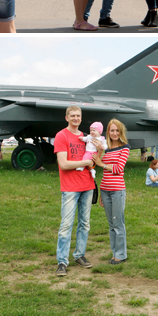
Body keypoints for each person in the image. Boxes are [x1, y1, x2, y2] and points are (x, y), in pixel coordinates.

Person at [54, 105, 95, 276]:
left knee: (84, 224)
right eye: (72, 116)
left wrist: (96, 153)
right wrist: (84, 163)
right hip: (70, 187)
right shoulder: (61, 136)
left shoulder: (86, 137)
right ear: (67, 118)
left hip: (87, 185)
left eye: (78, 116)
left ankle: (79, 255)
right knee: (66, 225)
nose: (75, 118)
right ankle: (62, 261)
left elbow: (93, 159)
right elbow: (63, 164)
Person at [92, 119, 130, 265]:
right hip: (105, 190)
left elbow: (119, 169)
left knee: (118, 223)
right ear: (108, 132)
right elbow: (98, 165)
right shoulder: (106, 148)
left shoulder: (125, 148)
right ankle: (115, 253)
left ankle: (121, 254)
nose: (114, 133)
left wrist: (102, 164)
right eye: (112, 130)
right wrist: (101, 193)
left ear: (121, 132)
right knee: (111, 224)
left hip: (117, 190)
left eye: (117, 130)